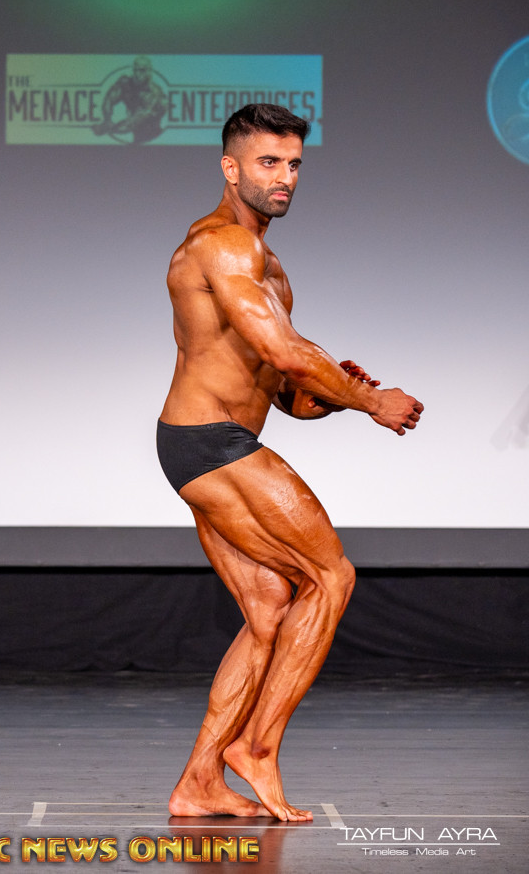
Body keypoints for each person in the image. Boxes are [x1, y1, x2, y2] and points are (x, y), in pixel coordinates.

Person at [157, 104, 423, 822]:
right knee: (331, 576)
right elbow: (285, 352)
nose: (285, 177)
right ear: (230, 167)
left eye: (295, 164)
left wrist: (327, 399)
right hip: (210, 440)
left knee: (269, 608)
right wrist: (371, 401)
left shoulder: (269, 267)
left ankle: (198, 783)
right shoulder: (221, 246)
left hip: (207, 442)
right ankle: (256, 748)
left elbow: (280, 389)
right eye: (268, 162)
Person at [92, 56, 166, 143]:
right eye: (135, 70)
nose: (138, 74)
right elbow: (109, 100)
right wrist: (107, 120)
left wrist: (106, 128)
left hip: (154, 137)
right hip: (136, 135)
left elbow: (133, 123)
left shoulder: (153, 93)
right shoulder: (125, 83)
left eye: (142, 70)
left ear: (149, 71)